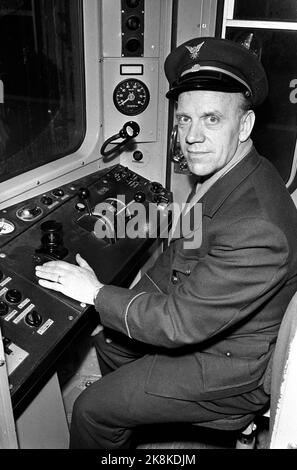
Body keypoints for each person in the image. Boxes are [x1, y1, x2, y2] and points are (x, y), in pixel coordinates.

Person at [35, 37, 297, 449]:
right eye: (184, 120)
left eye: (211, 119)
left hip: (227, 369)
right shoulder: (224, 176)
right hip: (206, 330)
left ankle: (116, 418)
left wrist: (98, 292)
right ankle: (133, 417)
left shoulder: (258, 227)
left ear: (243, 125)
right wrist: (112, 300)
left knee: (91, 409)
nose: (192, 136)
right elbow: (177, 256)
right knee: (107, 336)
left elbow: (179, 323)